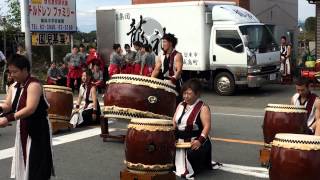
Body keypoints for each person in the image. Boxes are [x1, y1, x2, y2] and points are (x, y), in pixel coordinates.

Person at [0, 54, 54, 180]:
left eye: (15, 72)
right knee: (24, 163)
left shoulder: (34, 85)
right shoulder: (14, 86)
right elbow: (8, 105)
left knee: (37, 164)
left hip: (38, 129)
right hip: (23, 127)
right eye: (10, 72)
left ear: (25, 70)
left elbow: (30, 109)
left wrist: (7, 118)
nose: (12, 75)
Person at [173, 79, 212, 178]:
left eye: (189, 94)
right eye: (184, 93)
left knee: (191, 156)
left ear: (197, 94)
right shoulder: (181, 105)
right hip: (180, 141)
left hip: (195, 141)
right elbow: (174, 122)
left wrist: (200, 141)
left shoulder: (203, 108)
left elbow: (207, 126)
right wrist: (170, 136)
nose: (185, 96)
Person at [151, 33, 183, 104]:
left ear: (170, 43)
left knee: (176, 103)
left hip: (175, 83)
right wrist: (150, 80)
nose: (163, 44)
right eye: (163, 42)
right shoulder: (161, 56)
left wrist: (173, 79)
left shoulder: (177, 55)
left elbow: (179, 70)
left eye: (165, 42)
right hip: (165, 82)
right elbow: (156, 70)